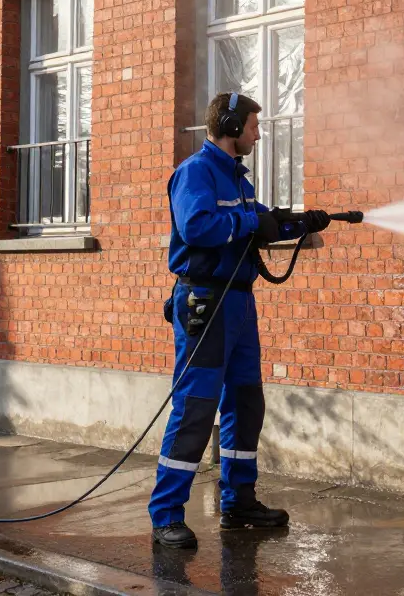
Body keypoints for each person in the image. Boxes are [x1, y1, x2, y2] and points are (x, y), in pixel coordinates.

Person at [149, 92, 332, 548]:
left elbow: (257, 223)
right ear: (231, 127)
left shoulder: (238, 179)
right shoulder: (196, 172)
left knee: (246, 403)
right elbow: (197, 227)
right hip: (206, 303)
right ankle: (166, 514)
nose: (258, 135)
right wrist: (252, 223)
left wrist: (301, 223)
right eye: (253, 126)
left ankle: (239, 503)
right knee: (196, 406)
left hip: (238, 303)